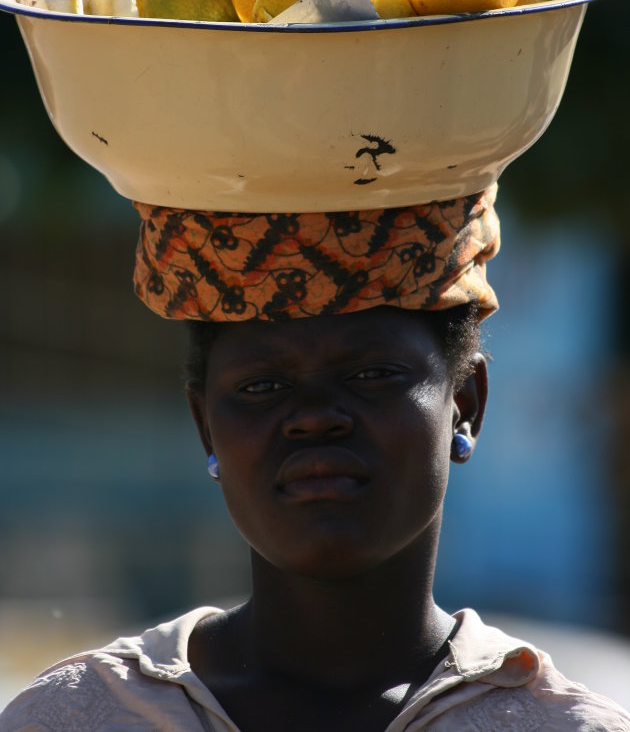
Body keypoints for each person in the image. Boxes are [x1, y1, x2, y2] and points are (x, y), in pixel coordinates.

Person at [2, 190, 629, 732]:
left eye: (373, 374)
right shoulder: (75, 717)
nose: (315, 416)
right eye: (262, 387)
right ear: (206, 427)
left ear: (465, 402)